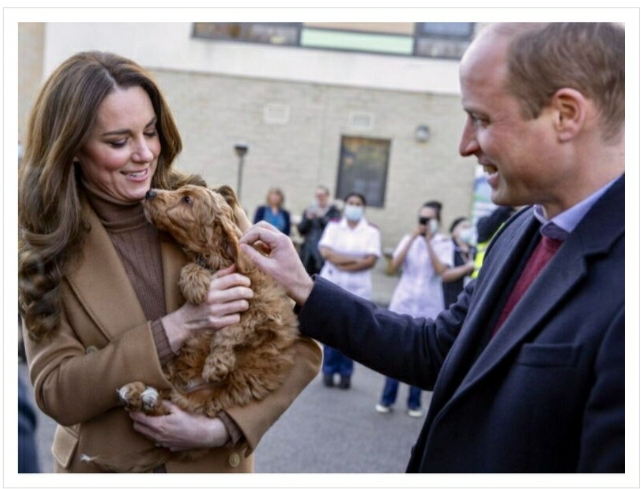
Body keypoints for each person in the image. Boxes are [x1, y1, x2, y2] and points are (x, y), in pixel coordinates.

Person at [238, 23, 625, 472]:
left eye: (481, 119)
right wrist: (302, 286)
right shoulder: (520, 231)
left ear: (565, 114)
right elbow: (437, 351)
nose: (465, 145)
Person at [17, 51, 321, 473]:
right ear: (70, 150)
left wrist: (224, 427)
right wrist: (177, 328)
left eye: (151, 132)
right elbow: (55, 390)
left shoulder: (211, 213)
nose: (145, 154)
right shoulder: (44, 247)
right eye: (118, 142)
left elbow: (301, 344)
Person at [375, 201, 452, 417]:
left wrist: (428, 243)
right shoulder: (408, 240)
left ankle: (414, 402)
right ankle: (387, 397)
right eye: (422, 219)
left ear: (438, 221)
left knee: (421, 353)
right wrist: (412, 239)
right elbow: (394, 266)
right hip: (404, 301)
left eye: (429, 220)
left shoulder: (443, 243)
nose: (425, 223)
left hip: (428, 303)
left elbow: (441, 270)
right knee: (395, 351)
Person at [317, 192, 381, 389]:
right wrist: (355, 260)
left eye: (358, 203)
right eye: (351, 202)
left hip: (358, 288)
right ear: (345, 205)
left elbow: (370, 260)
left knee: (352, 333)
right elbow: (326, 252)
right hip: (332, 284)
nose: (354, 206)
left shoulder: (371, 231)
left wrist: (341, 261)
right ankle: (328, 370)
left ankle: (346, 373)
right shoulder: (335, 226)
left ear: (363, 207)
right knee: (331, 331)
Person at [297, 185, 341, 275]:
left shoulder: (334, 212)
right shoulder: (309, 210)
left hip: (324, 253)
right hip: (308, 253)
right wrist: (308, 219)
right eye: (317, 196)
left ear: (327, 196)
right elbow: (301, 230)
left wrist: (321, 218)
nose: (320, 198)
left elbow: (336, 230)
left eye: (322, 195)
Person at [471, 205, 516, 278]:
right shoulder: (487, 225)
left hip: (498, 276)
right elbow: (486, 228)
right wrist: (509, 206)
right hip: (480, 277)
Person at [441, 216, 476, 307]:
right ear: (454, 232)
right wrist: (465, 268)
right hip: (449, 300)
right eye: (464, 227)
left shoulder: (474, 250)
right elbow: (443, 276)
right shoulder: (448, 248)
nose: (468, 230)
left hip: (468, 301)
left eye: (469, 227)